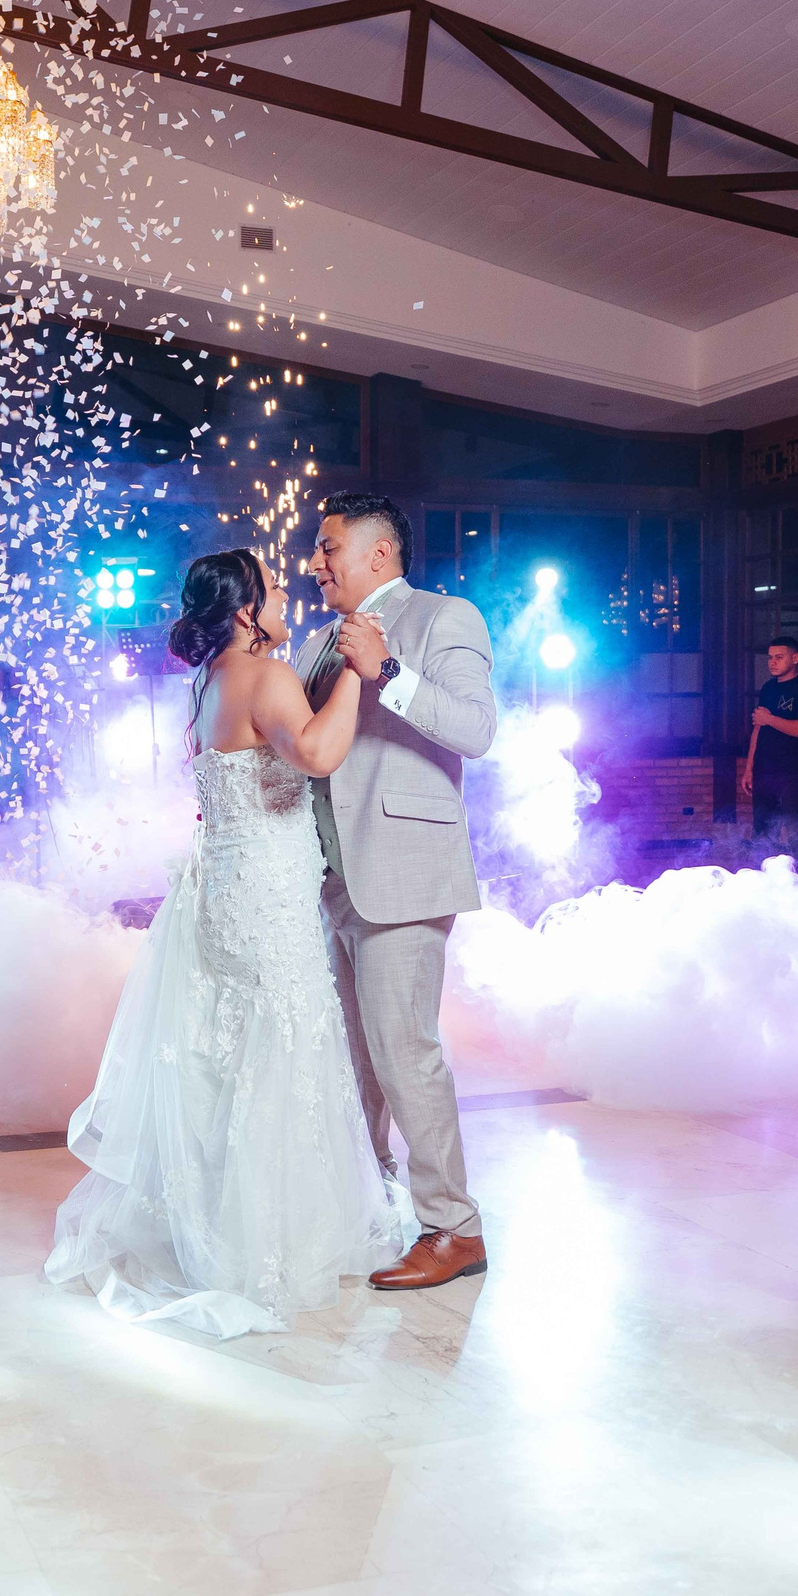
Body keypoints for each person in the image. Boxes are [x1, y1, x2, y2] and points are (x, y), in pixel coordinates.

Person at [45, 549, 412, 1336]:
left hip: (223, 895)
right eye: (274, 589)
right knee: (282, 1053)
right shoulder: (265, 674)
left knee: (233, 1058)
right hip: (269, 900)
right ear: (246, 609)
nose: (285, 597)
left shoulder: (208, 679)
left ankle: (222, 1229)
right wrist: (355, 670)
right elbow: (314, 753)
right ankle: (272, 1245)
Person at [296, 493, 498, 1293]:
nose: (316, 563)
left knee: (403, 1053)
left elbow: (477, 731)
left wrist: (387, 669)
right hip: (329, 879)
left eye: (328, 547)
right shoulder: (317, 642)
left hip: (405, 871)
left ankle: (454, 1228)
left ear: (379, 554)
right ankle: (372, 1205)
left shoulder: (445, 618)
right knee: (354, 1061)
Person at [747, 636, 798, 874]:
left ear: (795, 658)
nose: (772, 663)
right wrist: (749, 768)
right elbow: (758, 728)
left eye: (779, 657)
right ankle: (764, 883)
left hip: (794, 773)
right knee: (762, 833)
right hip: (764, 772)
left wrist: (770, 719)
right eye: (770, 658)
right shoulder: (768, 689)